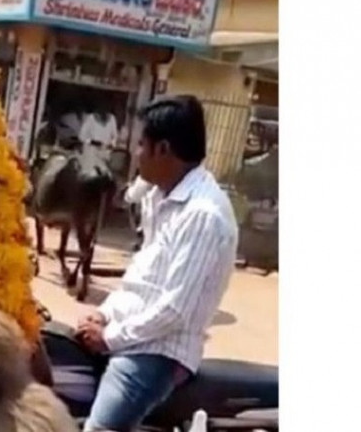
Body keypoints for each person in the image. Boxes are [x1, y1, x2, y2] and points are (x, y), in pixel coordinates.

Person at [76, 95, 239, 432]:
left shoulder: (202, 215)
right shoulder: (160, 197)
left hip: (156, 352)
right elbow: (144, 275)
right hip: (131, 333)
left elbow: (174, 309)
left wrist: (110, 337)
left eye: (140, 144)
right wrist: (104, 312)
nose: (134, 154)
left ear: (162, 150)